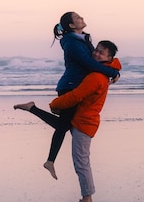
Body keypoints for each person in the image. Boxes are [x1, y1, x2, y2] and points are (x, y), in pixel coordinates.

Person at [15, 40, 121, 202]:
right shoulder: (99, 72)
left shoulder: (96, 77)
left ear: (109, 58)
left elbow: (75, 96)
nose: (96, 54)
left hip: (85, 123)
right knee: (63, 131)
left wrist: (55, 103)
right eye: (96, 50)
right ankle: (31, 108)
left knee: (81, 163)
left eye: (101, 53)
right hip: (82, 119)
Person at [39, 12, 120, 180]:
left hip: (77, 87)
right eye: (77, 18)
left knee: (65, 125)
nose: (81, 18)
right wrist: (113, 71)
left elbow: (98, 60)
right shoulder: (71, 42)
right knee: (64, 126)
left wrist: (114, 69)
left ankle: (50, 160)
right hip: (69, 87)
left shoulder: (83, 39)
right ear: (71, 25)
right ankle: (49, 160)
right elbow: (89, 63)